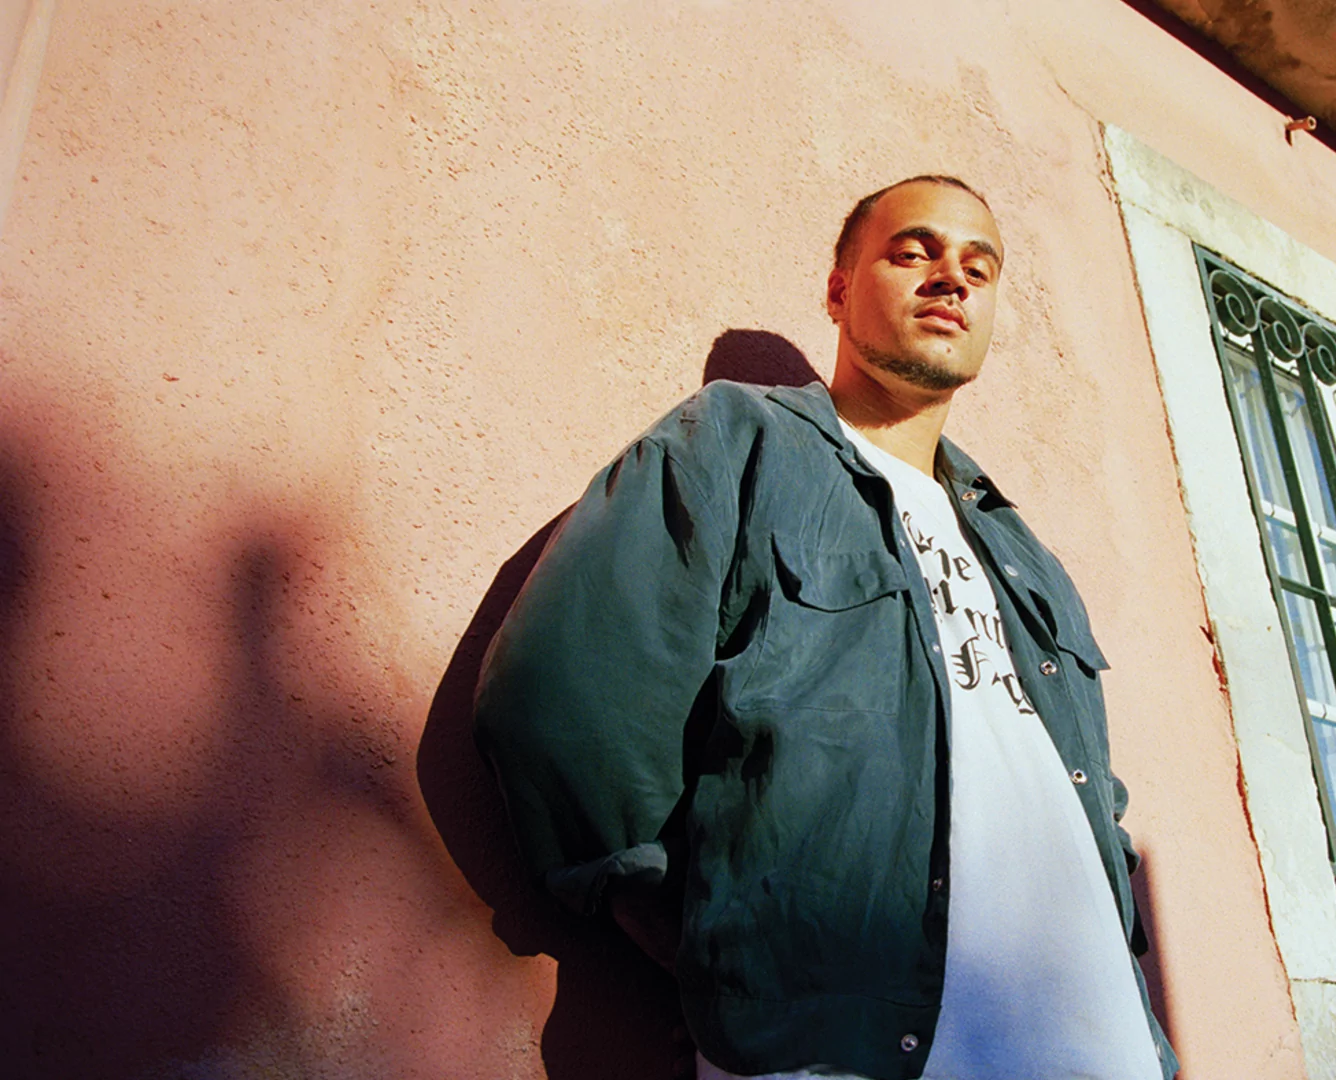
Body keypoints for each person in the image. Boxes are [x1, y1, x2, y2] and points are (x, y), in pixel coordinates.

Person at [475, 176, 1177, 1080]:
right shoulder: (734, 443)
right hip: (836, 1056)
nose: (950, 281)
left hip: (1105, 1053)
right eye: (914, 252)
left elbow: (1095, 807)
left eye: (979, 267)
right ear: (840, 289)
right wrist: (713, 931)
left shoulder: (1024, 553)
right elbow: (561, 699)